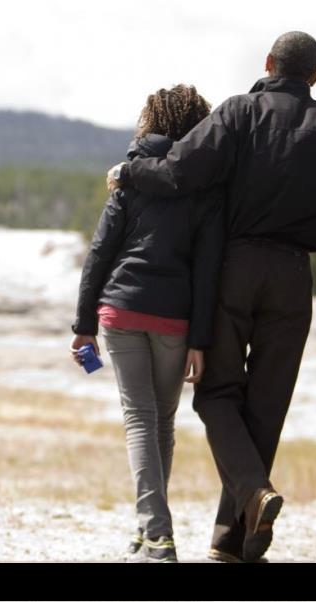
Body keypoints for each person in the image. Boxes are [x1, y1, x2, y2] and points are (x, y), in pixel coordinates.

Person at [107, 32, 316, 562]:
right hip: (294, 277)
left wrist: (130, 171)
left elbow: (177, 172)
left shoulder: (238, 113)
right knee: (266, 406)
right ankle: (232, 541)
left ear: (268, 64)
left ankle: (252, 496)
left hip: (235, 269)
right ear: (315, 77)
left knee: (217, 393)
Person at [71, 84, 224, 563]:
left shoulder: (130, 177)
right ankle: (148, 532)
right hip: (175, 319)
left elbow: (101, 252)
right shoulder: (205, 185)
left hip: (122, 309)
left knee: (141, 419)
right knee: (160, 423)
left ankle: (156, 536)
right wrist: (200, 339)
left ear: (150, 121)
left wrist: (83, 324)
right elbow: (208, 269)